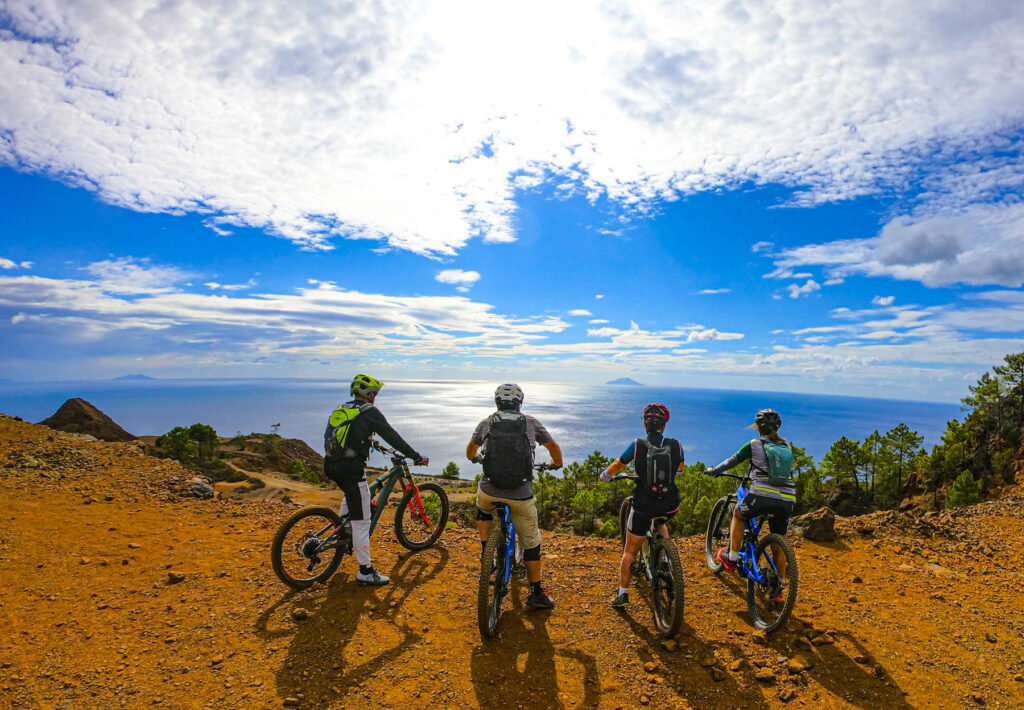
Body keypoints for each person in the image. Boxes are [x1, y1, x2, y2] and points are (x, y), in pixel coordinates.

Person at [323, 374, 428, 586]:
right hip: (351, 470)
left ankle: (344, 533)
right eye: (375, 394)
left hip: (331, 465)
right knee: (363, 521)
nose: (375, 398)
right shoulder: (369, 411)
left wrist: (374, 444)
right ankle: (365, 571)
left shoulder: (343, 408)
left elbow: (352, 435)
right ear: (370, 395)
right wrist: (415, 455)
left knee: (352, 496)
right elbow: (392, 435)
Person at [467, 383, 563, 610]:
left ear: (497, 402)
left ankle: (486, 552)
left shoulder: (487, 422)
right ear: (520, 403)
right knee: (532, 542)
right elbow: (554, 447)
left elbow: (470, 451)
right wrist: (556, 464)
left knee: (483, 508)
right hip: (521, 493)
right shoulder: (531, 422)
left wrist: (475, 458)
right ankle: (536, 592)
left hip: (490, 489)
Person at [600, 403, 685, 608]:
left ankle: (622, 593)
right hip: (669, 504)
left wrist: (605, 475)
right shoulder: (676, 445)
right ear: (664, 425)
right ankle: (665, 559)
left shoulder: (638, 444)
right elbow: (680, 470)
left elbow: (619, 464)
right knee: (660, 522)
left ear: (645, 424)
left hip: (643, 505)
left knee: (630, 550)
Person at [708, 408, 795, 603]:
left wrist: (715, 471)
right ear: (777, 427)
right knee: (778, 544)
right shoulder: (787, 447)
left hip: (762, 496)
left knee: (739, 514)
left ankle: (731, 557)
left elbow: (732, 461)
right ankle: (778, 591)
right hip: (787, 499)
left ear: (758, 428)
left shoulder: (754, 444)